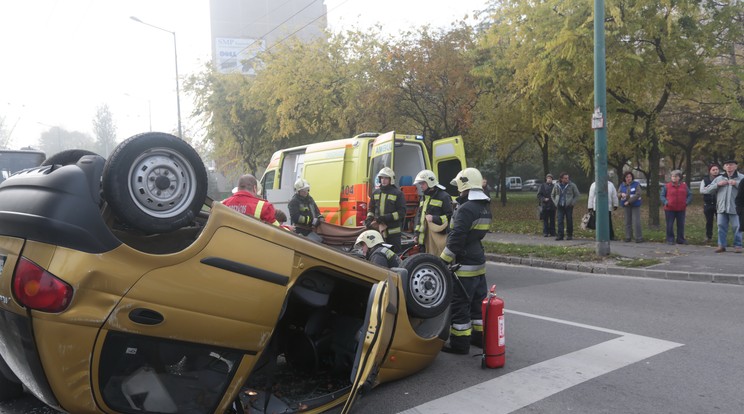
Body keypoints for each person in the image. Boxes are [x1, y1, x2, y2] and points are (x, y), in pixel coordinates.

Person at [439, 167, 492, 355]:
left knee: (460, 304)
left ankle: (460, 344)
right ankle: (479, 338)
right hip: (478, 262)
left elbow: (456, 238)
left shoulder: (466, 208)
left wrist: (442, 261)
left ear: (464, 184)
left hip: (464, 266)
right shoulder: (484, 207)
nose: (458, 190)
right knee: (478, 305)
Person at [702, 159, 742, 253]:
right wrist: (717, 185)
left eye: (731, 165)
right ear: (724, 167)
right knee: (721, 226)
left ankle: (738, 245)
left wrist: (736, 184)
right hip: (721, 208)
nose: (729, 166)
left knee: (737, 227)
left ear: (735, 166)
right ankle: (721, 245)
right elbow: (705, 190)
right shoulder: (719, 179)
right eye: (727, 165)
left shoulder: (741, 177)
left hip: (735, 208)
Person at [365, 167, 406, 253]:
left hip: (393, 232)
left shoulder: (398, 193)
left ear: (391, 179)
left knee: (395, 255)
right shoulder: (375, 192)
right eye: (382, 178)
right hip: (378, 232)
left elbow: (401, 213)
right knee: (379, 254)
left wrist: (386, 218)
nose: (383, 180)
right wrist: (369, 219)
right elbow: (371, 209)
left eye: (386, 178)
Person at [413, 170, 453, 257]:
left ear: (430, 182)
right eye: (420, 184)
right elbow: (420, 218)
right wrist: (416, 234)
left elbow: (450, 217)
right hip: (423, 240)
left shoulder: (444, 196)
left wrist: (434, 218)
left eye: (422, 183)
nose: (420, 186)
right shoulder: (424, 197)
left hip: (437, 239)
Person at [660, 170, 692, 245]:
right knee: (670, 224)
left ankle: (680, 239)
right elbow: (662, 196)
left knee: (681, 224)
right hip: (669, 209)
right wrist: (666, 202)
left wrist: (686, 202)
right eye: (673, 176)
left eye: (676, 176)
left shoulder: (684, 186)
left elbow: (690, 194)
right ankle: (670, 239)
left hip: (681, 208)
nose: (674, 178)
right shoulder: (666, 186)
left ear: (679, 178)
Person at [550, 172, 580, 241]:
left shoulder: (572, 185)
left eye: (568, 178)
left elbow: (577, 195)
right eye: (565, 178)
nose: (567, 179)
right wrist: (555, 203)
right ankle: (560, 235)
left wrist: (572, 203)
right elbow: (552, 195)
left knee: (569, 220)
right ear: (561, 179)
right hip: (560, 205)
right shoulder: (557, 185)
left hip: (568, 206)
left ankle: (569, 235)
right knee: (560, 220)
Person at [618, 172, 643, 243]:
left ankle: (638, 237)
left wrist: (629, 201)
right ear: (624, 178)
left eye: (630, 177)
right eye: (627, 177)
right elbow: (618, 193)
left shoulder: (636, 184)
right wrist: (621, 194)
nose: (629, 178)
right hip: (626, 206)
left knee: (636, 221)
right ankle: (628, 236)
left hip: (635, 205)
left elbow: (638, 194)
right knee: (627, 222)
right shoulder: (622, 185)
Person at [700, 163, 720, 243]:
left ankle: (721, 238)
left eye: (717, 170)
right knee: (709, 221)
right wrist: (711, 188)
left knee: (720, 222)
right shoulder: (705, 180)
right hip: (708, 204)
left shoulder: (722, 178)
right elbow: (702, 191)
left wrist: (708, 188)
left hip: (718, 204)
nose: (715, 171)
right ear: (710, 171)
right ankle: (709, 237)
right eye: (713, 170)